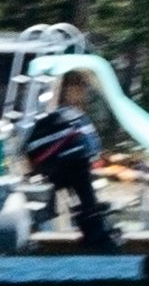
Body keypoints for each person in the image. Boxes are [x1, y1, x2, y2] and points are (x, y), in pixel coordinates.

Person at [22, 80, 121, 252]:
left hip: (60, 166)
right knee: (86, 196)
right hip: (76, 162)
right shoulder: (73, 116)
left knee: (80, 196)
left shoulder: (50, 121)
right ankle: (97, 235)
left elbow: (32, 154)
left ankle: (92, 233)